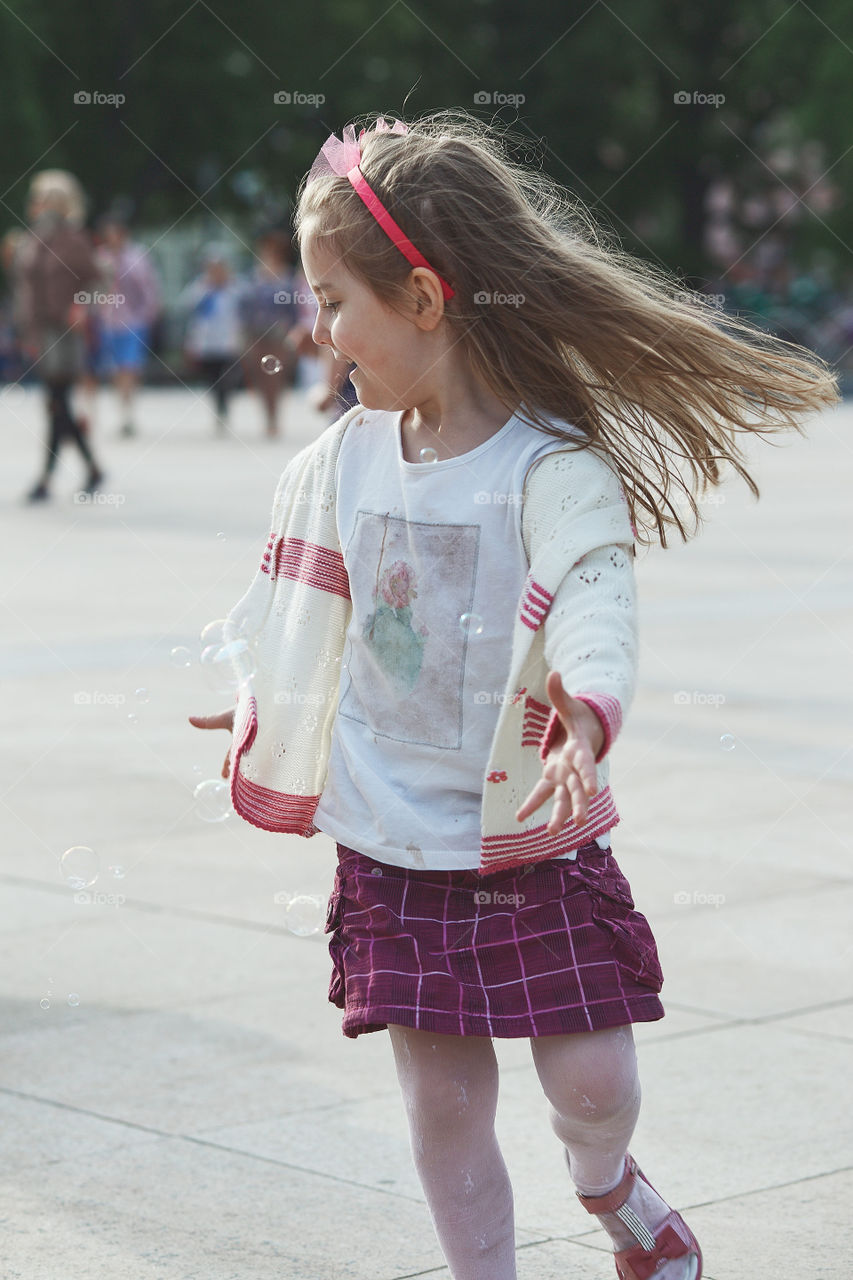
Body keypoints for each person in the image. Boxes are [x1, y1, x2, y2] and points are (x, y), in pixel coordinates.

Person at [189, 113, 840, 1280]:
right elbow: (292, 604)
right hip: (395, 841)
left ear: (427, 301)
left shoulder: (548, 465)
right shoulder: (341, 460)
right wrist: (264, 699)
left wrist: (586, 709)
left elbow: (594, 590)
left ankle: (608, 1182)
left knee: (593, 1085)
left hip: (522, 831)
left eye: (335, 300)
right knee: (443, 1110)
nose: (318, 329)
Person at [16, 170, 105, 501]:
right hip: (40, 332)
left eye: (42, 198)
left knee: (57, 402)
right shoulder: (32, 238)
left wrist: (80, 307)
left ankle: (48, 478)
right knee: (57, 404)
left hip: (64, 333)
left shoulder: (73, 238)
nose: (36, 204)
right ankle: (88, 468)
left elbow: (96, 282)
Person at [238, 229, 313, 438]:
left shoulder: (288, 278)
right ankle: (267, 416)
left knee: (276, 377)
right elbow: (244, 307)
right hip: (256, 333)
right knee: (259, 378)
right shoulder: (253, 277)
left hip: (280, 334)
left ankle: (274, 418)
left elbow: (295, 307)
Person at [94, 215, 161, 438]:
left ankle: (128, 412)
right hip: (109, 321)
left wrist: (149, 313)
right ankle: (122, 409)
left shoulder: (137, 256)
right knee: (116, 369)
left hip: (133, 321)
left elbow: (149, 287)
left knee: (129, 367)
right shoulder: (101, 258)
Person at [178, 247, 243, 434]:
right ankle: (218, 409)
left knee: (227, 378)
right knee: (212, 379)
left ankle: (225, 406)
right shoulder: (200, 288)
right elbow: (188, 308)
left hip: (229, 342)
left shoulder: (234, 288)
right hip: (206, 344)